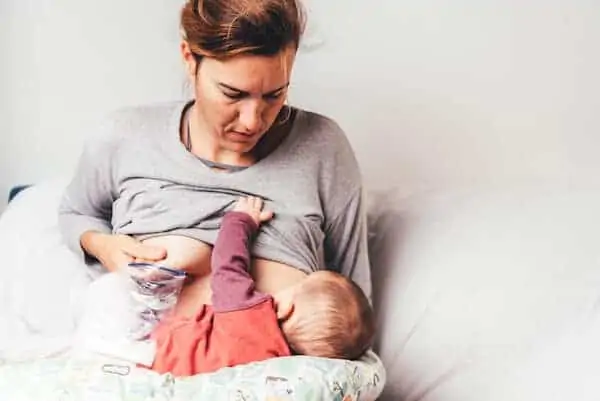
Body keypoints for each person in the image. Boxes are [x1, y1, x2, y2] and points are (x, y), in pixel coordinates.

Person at [58, 0, 371, 323]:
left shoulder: (323, 147)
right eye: (233, 94)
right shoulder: (125, 135)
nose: (252, 121)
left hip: (282, 371)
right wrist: (103, 246)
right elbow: (76, 212)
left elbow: (355, 306)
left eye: (275, 95)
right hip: (140, 365)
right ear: (189, 59)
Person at [150, 196, 374, 376]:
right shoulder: (281, 366)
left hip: (162, 358)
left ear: (288, 308)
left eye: (300, 284)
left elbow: (227, 262)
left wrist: (241, 220)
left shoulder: (245, 312)